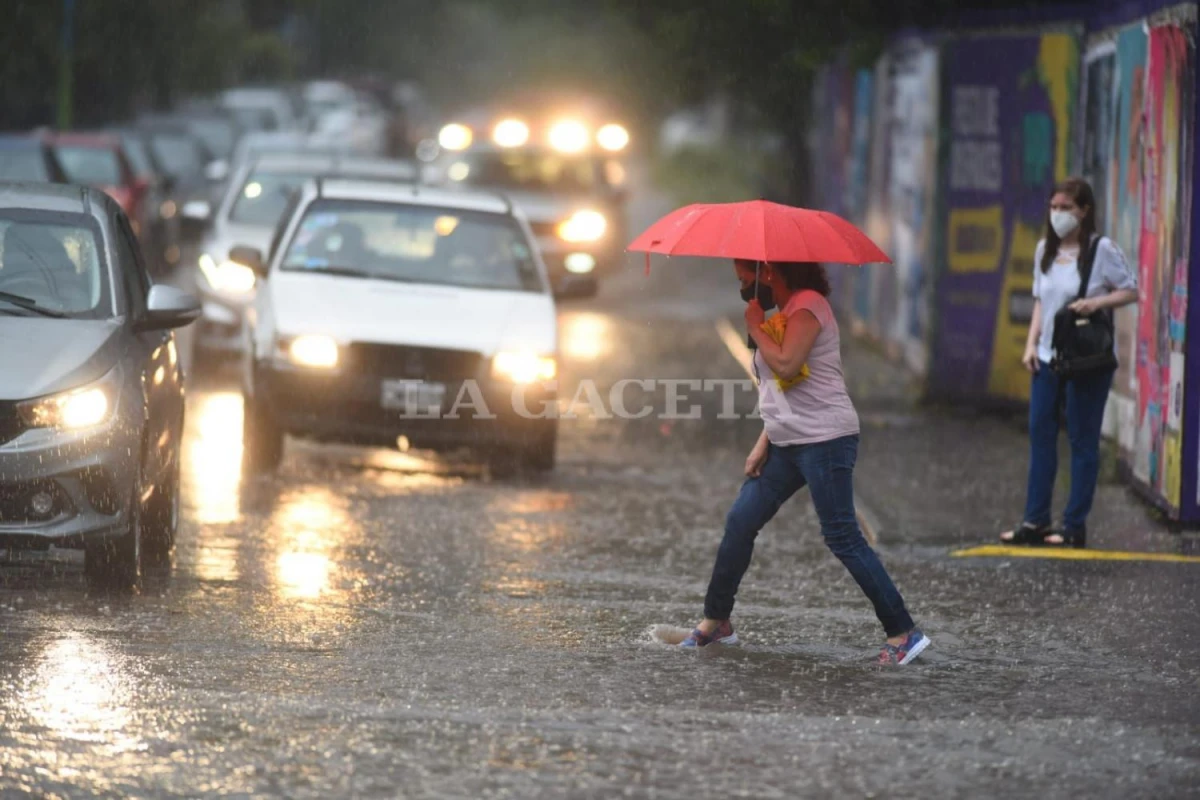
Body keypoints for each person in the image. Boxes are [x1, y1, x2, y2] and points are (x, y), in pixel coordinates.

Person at [682, 259, 930, 666]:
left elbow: (786, 364)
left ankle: (903, 632)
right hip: (786, 443)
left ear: (768, 272)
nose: (742, 286)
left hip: (826, 440)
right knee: (741, 521)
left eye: (745, 278)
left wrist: (755, 324)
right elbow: (784, 390)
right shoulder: (783, 313)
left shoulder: (809, 306)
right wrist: (764, 440)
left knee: (842, 535)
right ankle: (717, 621)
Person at [1001, 177, 1138, 548]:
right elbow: (1041, 303)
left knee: (1082, 440)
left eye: (1066, 208)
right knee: (1041, 436)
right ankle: (1035, 521)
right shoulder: (1045, 249)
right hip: (1048, 358)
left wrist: (1096, 303)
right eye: (1054, 207)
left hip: (1086, 361)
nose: (1058, 214)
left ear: (1084, 211)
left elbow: (1131, 289)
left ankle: (1074, 526)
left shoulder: (1101, 250)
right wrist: (1031, 346)